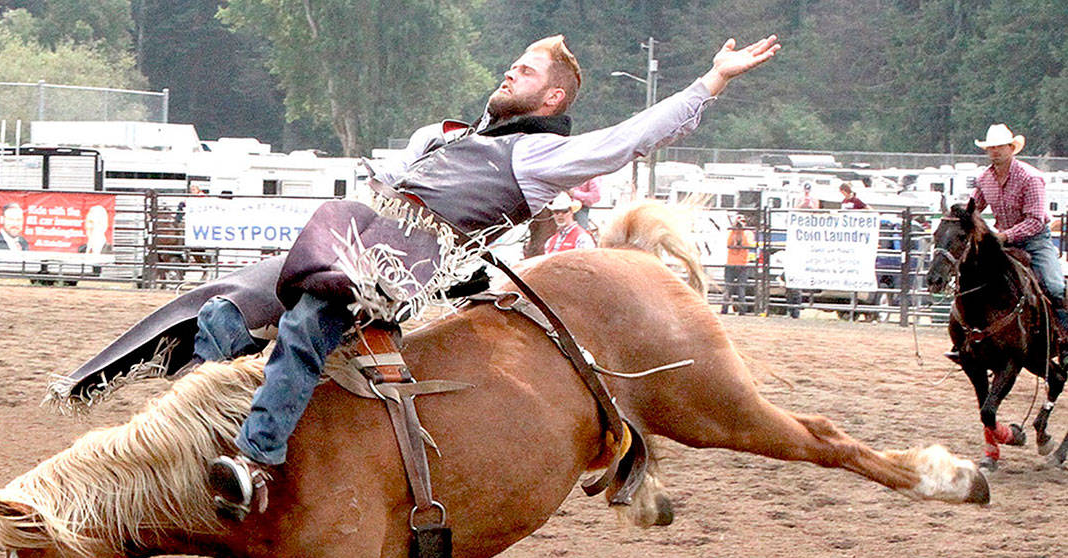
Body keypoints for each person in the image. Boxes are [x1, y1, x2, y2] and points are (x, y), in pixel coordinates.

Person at [96, 35, 779, 516]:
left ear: (556, 93)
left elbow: (629, 136)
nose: (511, 74)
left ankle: (253, 463)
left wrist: (710, 82)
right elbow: (395, 182)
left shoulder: (540, 156)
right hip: (355, 235)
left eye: (527, 70)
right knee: (220, 309)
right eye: (513, 65)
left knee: (306, 325)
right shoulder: (447, 135)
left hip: (404, 265)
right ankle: (194, 438)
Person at [969, 123, 1068, 330]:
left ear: (1011, 148)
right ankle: (968, 336)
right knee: (973, 282)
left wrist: (1003, 236)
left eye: (1000, 146)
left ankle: (1064, 339)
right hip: (1001, 243)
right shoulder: (984, 179)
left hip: (1035, 242)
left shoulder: (1030, 178)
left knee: (1055, 287)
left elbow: (1035, 221)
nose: (995, 151)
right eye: (991, 147)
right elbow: (973, 209)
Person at [721, 213, 756, 314]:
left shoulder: (748, 233)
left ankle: (742, 310)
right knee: (728, 287)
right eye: (739, 221)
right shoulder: (731, 232)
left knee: (741, 287)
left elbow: (747, 245)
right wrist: (734, 230)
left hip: (743, 264)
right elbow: (729, 244)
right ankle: (724, 309)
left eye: (743, 221)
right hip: (731, 263)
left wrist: (742, 231)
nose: (741, 223)